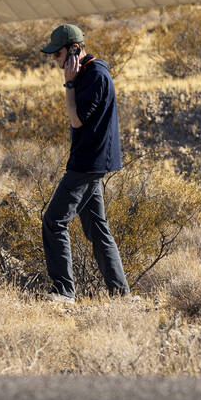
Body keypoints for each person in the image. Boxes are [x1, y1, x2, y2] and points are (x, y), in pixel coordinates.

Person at [39, 24, 130, 304]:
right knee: (96, 228)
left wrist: (69, 84)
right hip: (92, 161)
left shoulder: (94, 75)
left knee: (54, 221)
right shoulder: (90, 73)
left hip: (88, 163)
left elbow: (76, 120)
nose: (55, 60)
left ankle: (64, 292)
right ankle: (121, 294)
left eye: (58, 54)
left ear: (74, 50)